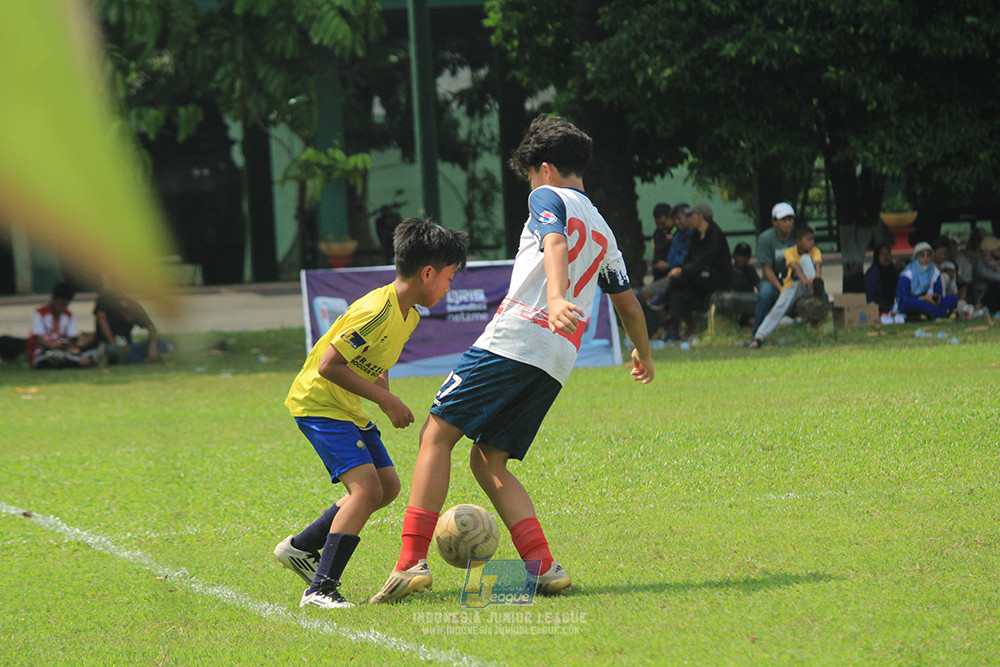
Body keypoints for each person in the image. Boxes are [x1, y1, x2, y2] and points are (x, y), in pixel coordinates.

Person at [369, 114, 655, 604]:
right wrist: (643, 354)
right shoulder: (605, 230)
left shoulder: (547, 196)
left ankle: (410, 561)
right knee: (488, 459)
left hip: (516, 338)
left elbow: (554, 242)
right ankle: (543, 567)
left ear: (545, 169)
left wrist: (557, 297)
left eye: (529, 176)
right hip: (557, 358)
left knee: (437, 434)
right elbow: (627, 304)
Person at [274, 217, 469, 609]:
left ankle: (301, 547)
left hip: (345, 406)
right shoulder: (376, 310)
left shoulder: (408, 314)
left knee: (387, 487)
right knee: (365, 490)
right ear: (427, 273)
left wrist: (384, 392)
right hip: (318, 402)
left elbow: (374, 358)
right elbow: (329, 365)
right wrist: (386, 401)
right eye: (448, 278)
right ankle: (321, 588)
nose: (449, 288)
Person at [748, 225, 826, 348]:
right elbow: (796, 268)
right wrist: (805, 282)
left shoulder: (815, 251)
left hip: (810, 285)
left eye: (813, 239)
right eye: (809, 239)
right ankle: (759, 337)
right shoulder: (789, 252)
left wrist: (817, 278)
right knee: (778, 309)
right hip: (794, 285)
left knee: (806, 259)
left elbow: (818, 265)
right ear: (798, 242)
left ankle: (816, 287)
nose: (812, 242)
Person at [662, 203, 731, 341]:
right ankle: (673, 331)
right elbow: (690, 259)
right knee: (679, 293)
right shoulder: (695, 236)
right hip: (697, 277)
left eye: (692, 215)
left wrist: (682, 271)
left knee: (681, 280)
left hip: (715, 277)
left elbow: (704, 260)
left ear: (700, 216)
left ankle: (664, 296)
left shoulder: (715, 235)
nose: (690, 218)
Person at [91, 283, 171, 363]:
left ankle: (138, 358)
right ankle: (143, 361)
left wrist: (152, 347)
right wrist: (114, 343)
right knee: (114, 351)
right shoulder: (105, 300)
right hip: (108, 344)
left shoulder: (134, 306)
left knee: (161, 343)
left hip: (129, 345)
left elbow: (151, 328)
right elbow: (102, 320)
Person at [27, 281, 97, 369]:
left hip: (63, 351)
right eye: (61, 304)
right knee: (51, 357)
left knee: (87, 347)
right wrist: (53, 347)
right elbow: (39, 340)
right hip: (43, 352)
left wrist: (75, 345)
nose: (62, 308)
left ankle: (79, 359)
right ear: (53, 299)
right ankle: (79, 361)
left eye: (65, 305)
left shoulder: (69, 315)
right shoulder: (40, 314)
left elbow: (71, 339)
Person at [753, 202, 796, 338]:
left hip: (794, 279)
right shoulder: (765, 239)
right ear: (774, 222)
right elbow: (767, 269)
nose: (787, 223)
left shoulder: (798, 236)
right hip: (772, 280)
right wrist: (781, 289)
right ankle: (757, 333)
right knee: (765, 294)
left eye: (790, 219)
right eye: (783, 220)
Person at [892, 241, 958, 321]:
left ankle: (924, 315)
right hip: (914, 302)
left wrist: (934, 299)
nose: (926, 258)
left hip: (929, 302)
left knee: (953, 299)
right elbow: (902, 298)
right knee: (910, 303)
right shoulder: (908, 273)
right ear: (917, 257)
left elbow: (938, 294)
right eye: (922, 255)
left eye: (928, 255)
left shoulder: (935, 272)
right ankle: (943, 314)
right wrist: (924, 298)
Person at [710, 241, 759, 327]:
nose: (742, 259)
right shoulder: (727, 271)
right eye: (740, 256)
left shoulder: (750, 270)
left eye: (745, 256)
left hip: (747, 308)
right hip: (731, 307)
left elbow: (759, 286)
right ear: (734, 256)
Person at [864, 243, 900, 316]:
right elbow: (869, 297)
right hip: (878, 308)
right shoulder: (873, 272)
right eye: (882, 254)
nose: (886, 256)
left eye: (888, 253)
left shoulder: (894, 271)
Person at [649, 202, 673, 280]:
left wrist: (668, 264)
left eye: (663, 224)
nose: (660, 227)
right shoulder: (658, 232)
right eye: (658, 224)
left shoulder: (676, 231)